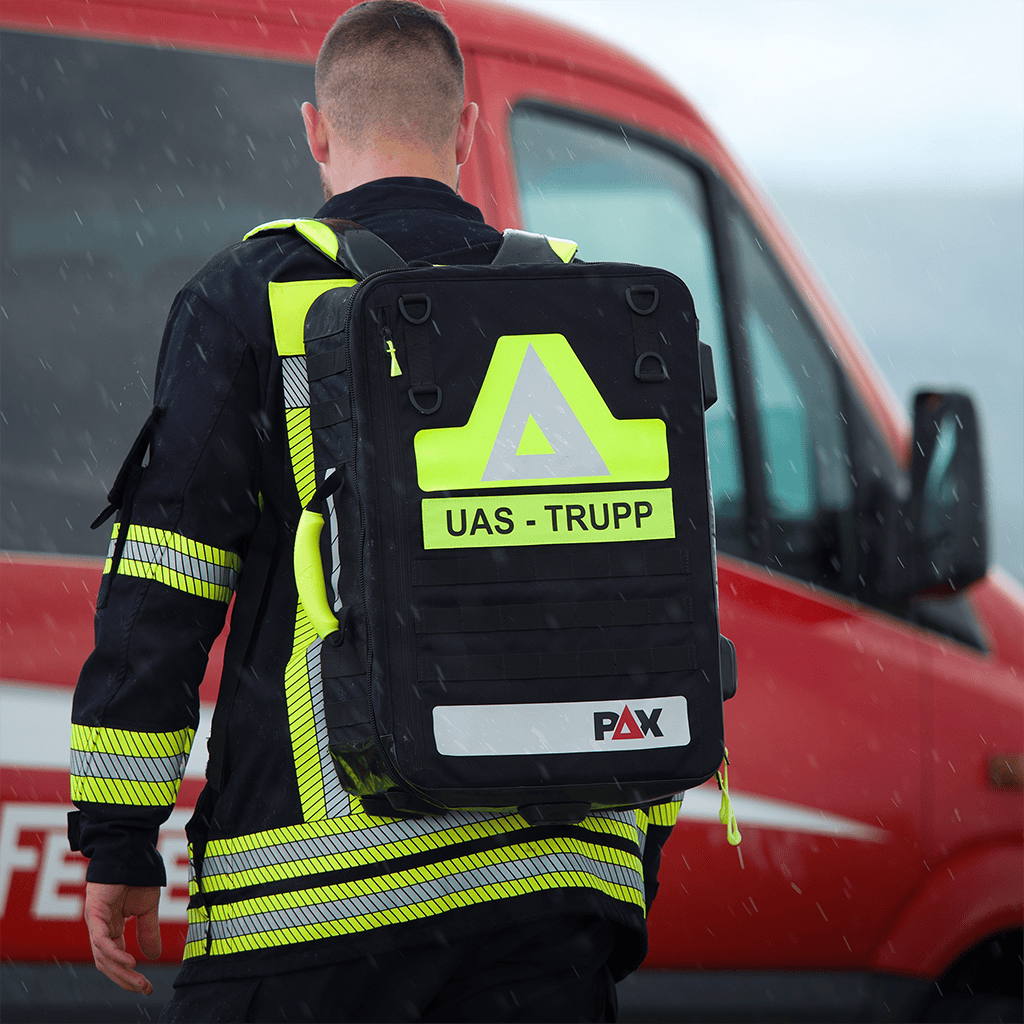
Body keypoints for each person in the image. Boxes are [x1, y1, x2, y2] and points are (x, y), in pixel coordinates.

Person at [69, 3, 681, 1020]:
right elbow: (651, 593)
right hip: (554, 896)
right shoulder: (581, 300)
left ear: (316, 132)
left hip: (314, 908)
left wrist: (119, 839)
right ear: (467, 129)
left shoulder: (251, 294)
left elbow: (164, 588)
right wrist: (633, 845)